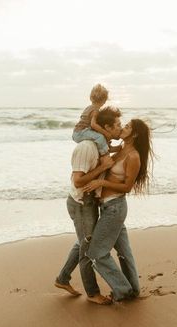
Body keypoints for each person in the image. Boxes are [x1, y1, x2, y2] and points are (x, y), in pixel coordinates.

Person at [55, 106, 123, 305]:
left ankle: (62, 279)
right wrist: (103, 167)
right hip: (81, 204)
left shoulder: (102, 146)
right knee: (87, 249)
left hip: (89, 202)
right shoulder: (86, 147)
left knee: (82, 242)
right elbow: (78, 181)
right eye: (118, 125)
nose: (120, 128)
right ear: (106, 127)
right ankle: (92, 294)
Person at [82, 118, 153, 301]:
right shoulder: (122, 150)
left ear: (134, 134)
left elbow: (127, 187)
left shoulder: (133, 156)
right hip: (108, 208)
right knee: (124, 252)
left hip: (115, 207)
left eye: (127, 127)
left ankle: (123, 290)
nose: (123, 127)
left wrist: (101, 182)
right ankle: (134, 289)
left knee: (96, 253)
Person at [72, 84, 111, 156]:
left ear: (91, 97)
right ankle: (105, 154)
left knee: (98, 135)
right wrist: (105, 133)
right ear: (104, 100)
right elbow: (93, 124)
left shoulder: (88, 107)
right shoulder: (96, 110)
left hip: (76, 132)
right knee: (100, 137)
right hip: (81, 133)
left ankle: (107, 148)